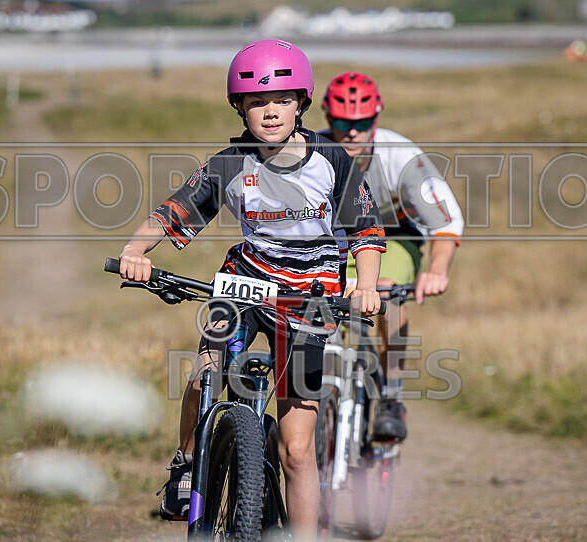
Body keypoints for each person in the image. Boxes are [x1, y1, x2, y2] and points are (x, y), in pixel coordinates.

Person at [117, 41, 385, 537]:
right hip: (246, 283)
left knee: (296, 448)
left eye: (282, 100)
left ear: (302, 103)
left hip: (312, 296)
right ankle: (185, 462)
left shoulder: (333, 162)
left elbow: (366, 233)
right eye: (257, 102)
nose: (269, 112)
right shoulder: (231, 162)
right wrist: (136, 252)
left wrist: (365, 287)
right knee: (205, 374)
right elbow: (173, 212)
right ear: (239, 107)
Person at [321, 71, 464, 441]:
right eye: (341, 123)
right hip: (333, 239)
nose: (351, 133)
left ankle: (390, 395)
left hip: (393, 237)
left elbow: (445, 221)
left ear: (376, 120)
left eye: (361, 123)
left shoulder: (402, 157)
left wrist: (436, 270)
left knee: (386, 294)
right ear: (325, 118)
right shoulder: (312, 153)